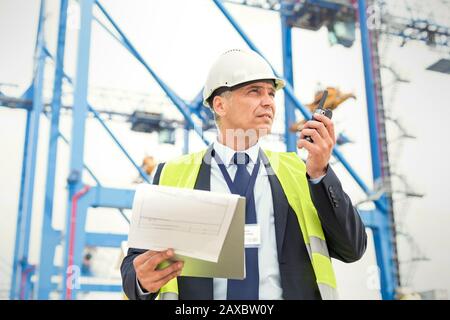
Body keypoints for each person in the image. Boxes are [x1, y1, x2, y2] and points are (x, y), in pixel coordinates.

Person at [121, 49, 367, 300]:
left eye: (271, 93)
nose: (269, 101)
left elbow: (353, 248)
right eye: (255, 92)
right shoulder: (172, 174)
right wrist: (142, 279)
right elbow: (133, 271)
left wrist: (320, 173)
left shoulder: (301, 171)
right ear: (220, 104)